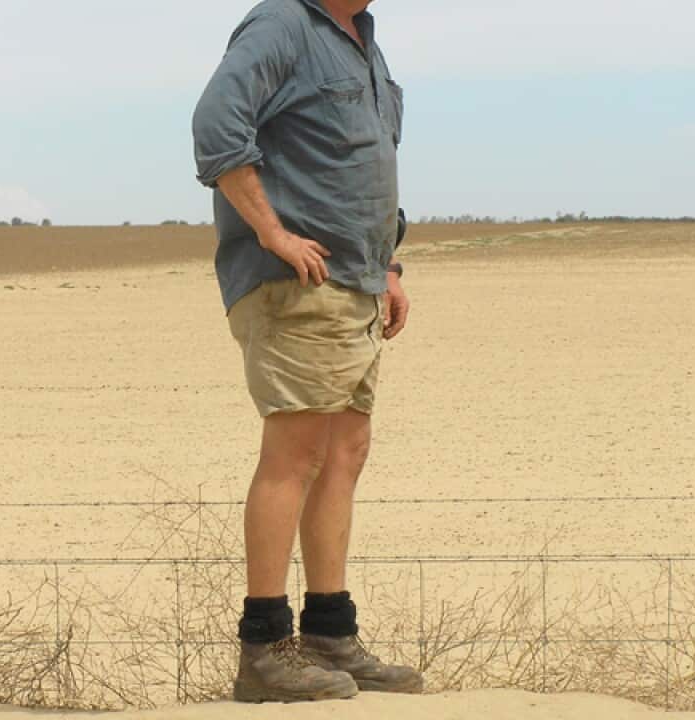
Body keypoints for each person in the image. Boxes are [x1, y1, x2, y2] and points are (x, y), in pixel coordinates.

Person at [192, 0, 421, 704]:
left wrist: (389, 267)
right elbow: (216, 124)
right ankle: (263, 649)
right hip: (300, 281)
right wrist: (272, 232)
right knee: (295, 454)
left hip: (358, 281)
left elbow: (364, 161)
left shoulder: (364, 44)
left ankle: (329, 634)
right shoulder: (281, 25)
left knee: (345, 451)